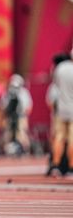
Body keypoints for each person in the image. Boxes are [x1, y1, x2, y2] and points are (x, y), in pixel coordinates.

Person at [49, 45, 73, 177]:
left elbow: (55, 87)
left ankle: (56, 165)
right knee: (72, 139)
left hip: (61, 109)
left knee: (59, 138)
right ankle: (71, 168)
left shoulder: (60, 68)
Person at [0, 74, 33, 155]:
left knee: (21, 134)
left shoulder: (24, 93)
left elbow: (28, 106)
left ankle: (25, 151)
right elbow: (3, 106)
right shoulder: (7, 93)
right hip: (10, 117)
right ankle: (8, 152)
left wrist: (23, 116)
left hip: (21, 117)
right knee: (8, 135)